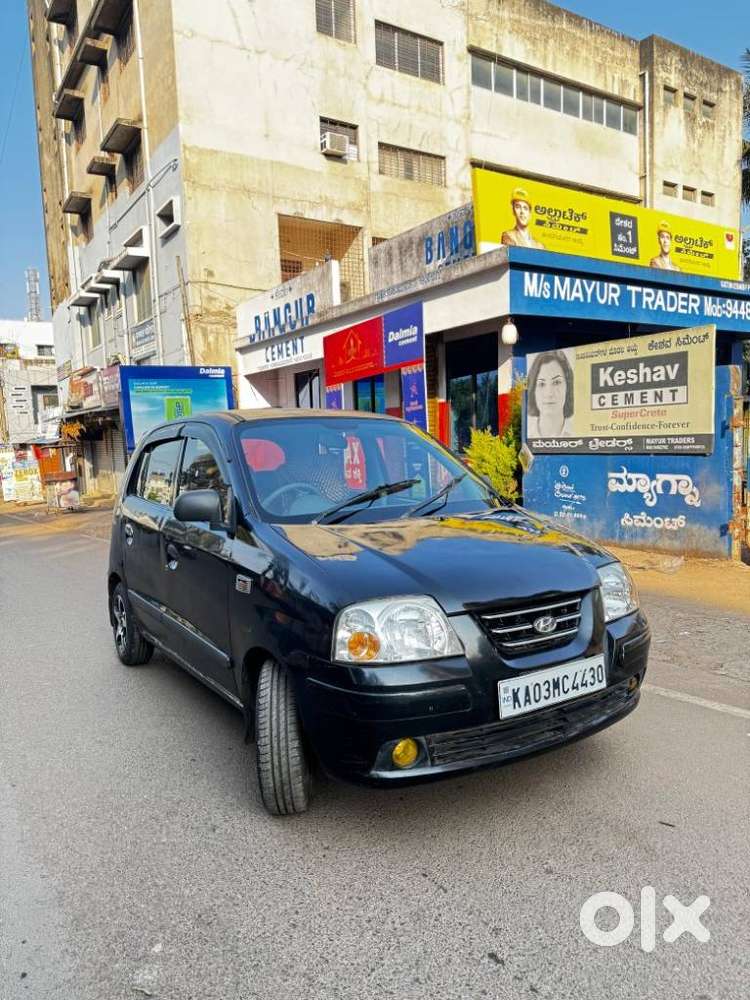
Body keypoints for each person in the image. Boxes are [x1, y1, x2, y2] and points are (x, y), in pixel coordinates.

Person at [526, 350, 575, 438]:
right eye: (541, 384)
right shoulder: (527, 435)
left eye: (556, 382)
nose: (549, 393)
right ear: (533, 390)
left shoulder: (577, 433)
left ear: (568, 386)